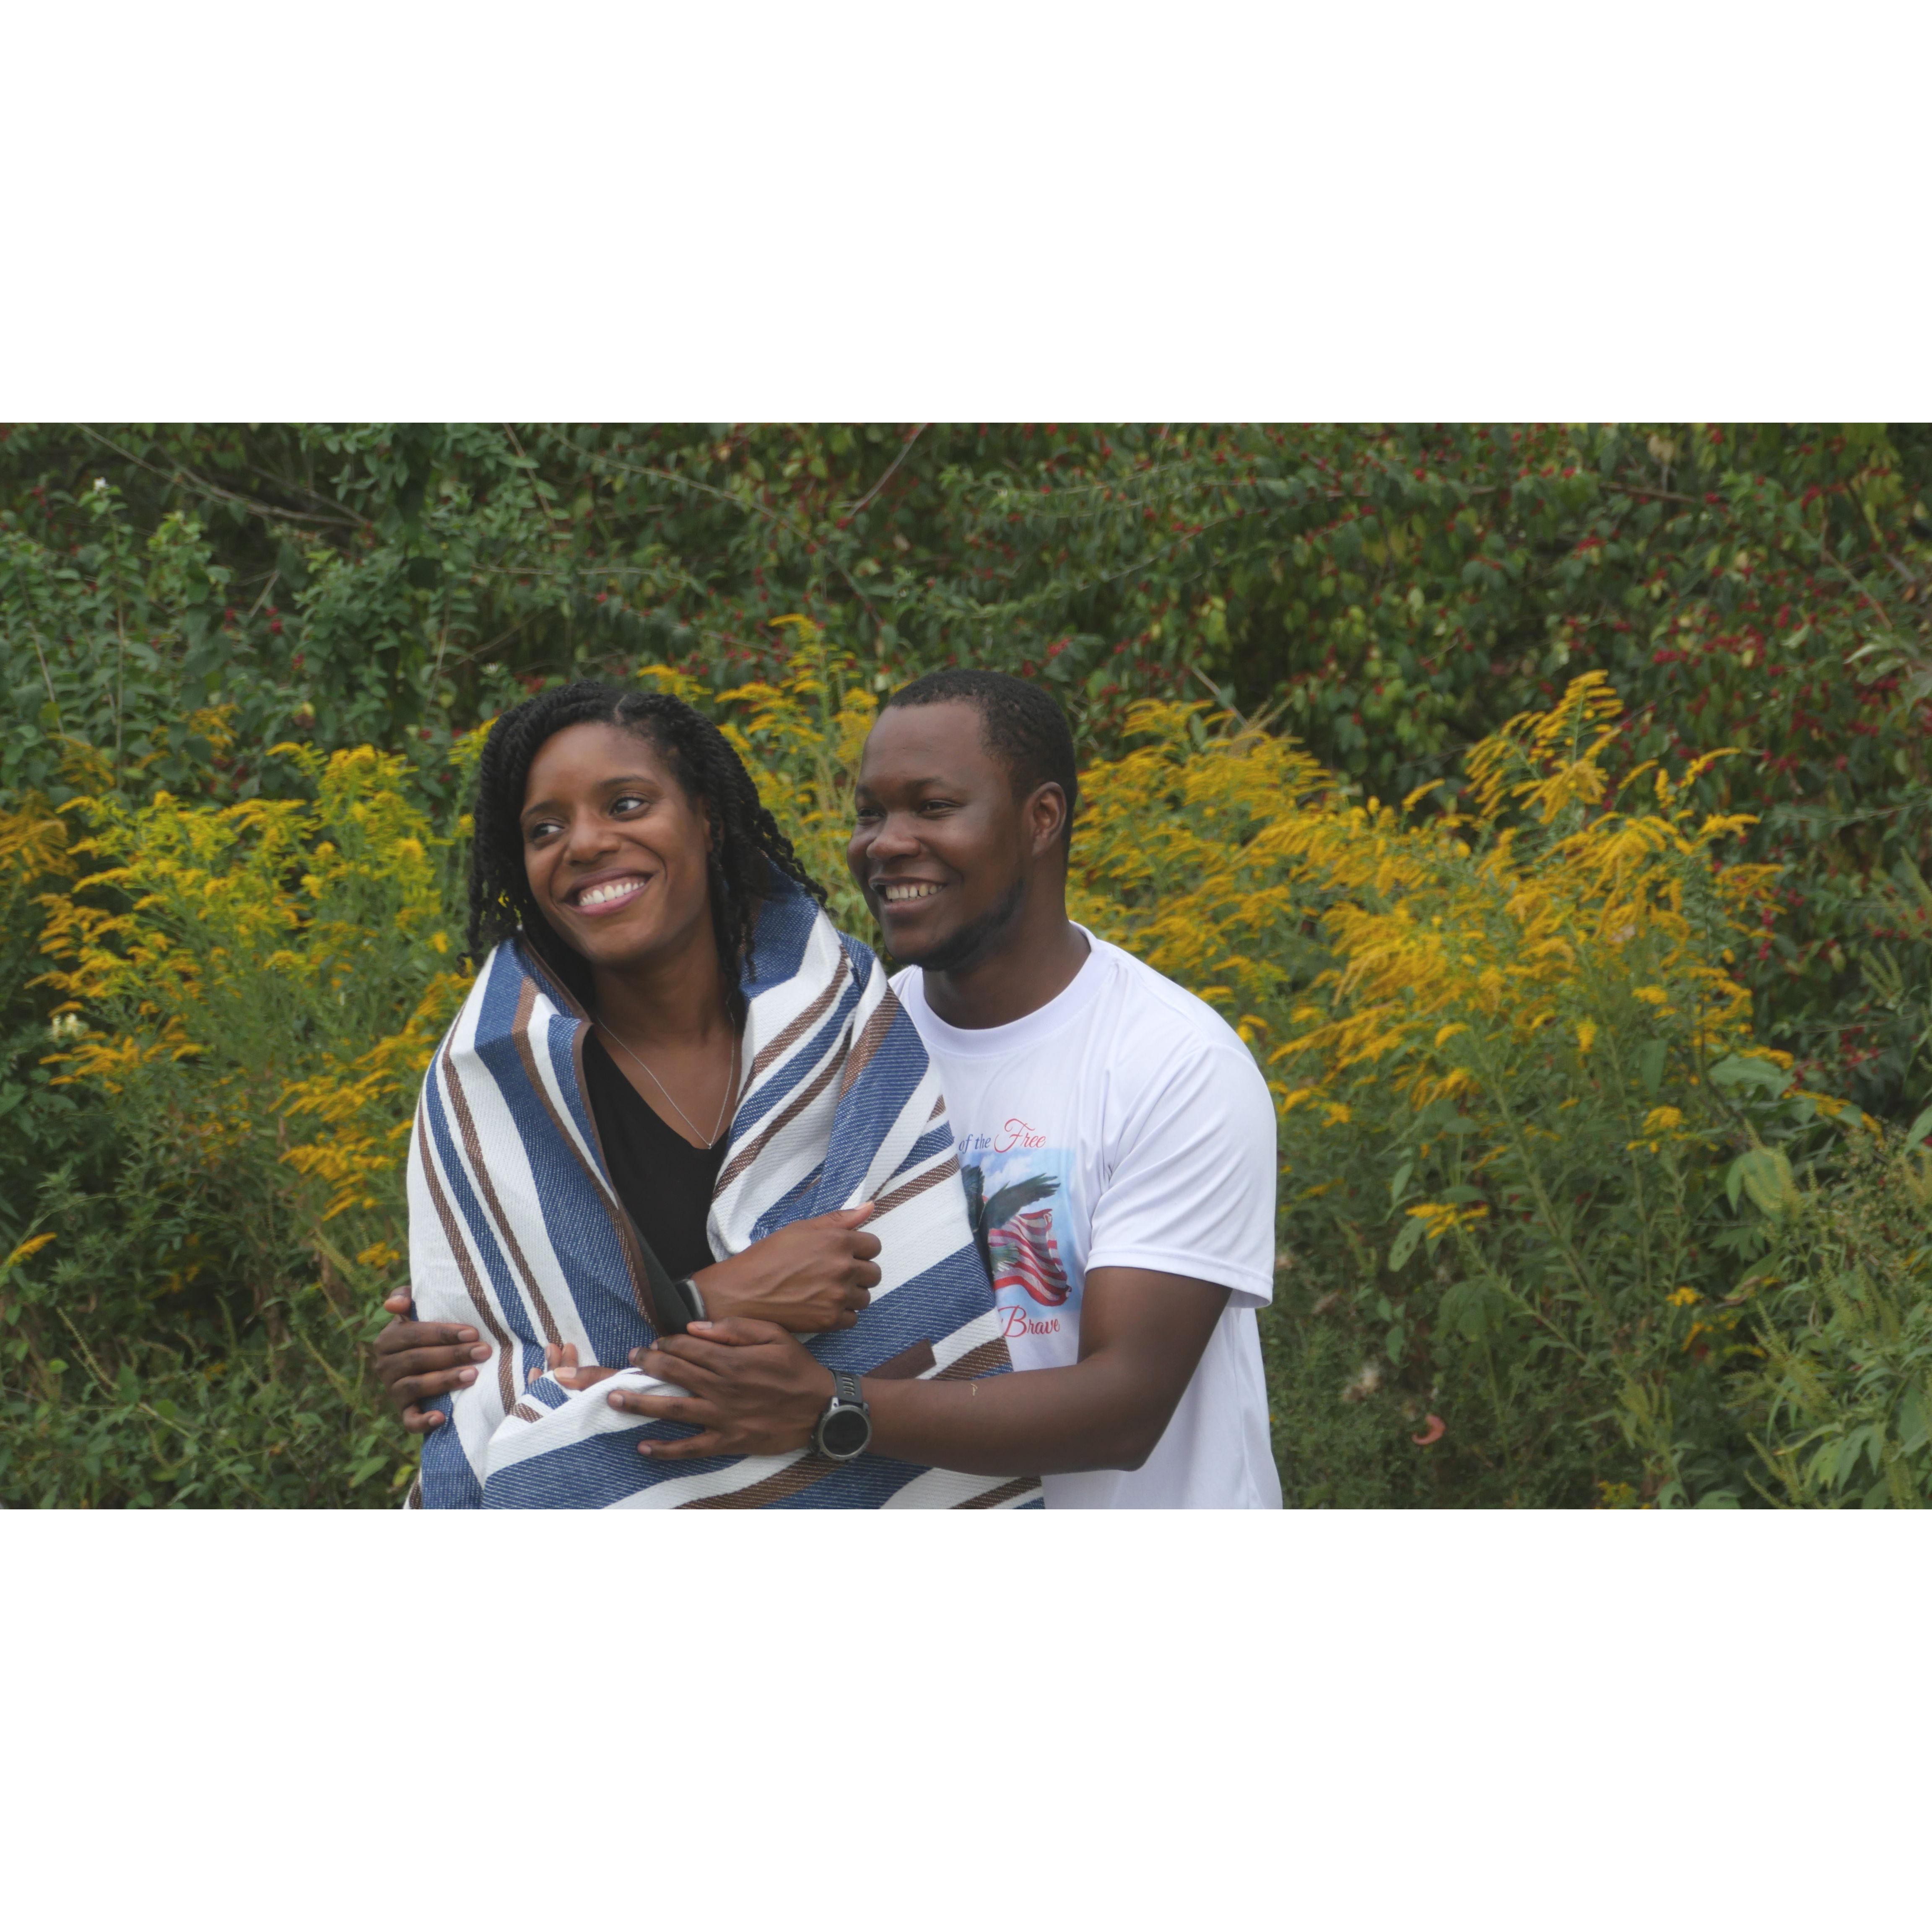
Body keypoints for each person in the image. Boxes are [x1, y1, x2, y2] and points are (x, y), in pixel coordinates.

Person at [379, 670, 1281, 1509]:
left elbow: (1126, 1408)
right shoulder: (846, 1032)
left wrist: (832, 1407)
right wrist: (478, 1358)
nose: (888, 844)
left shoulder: (1169, 1061)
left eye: (933, 807)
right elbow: (566, 1321)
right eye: (870, 813)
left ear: (1041, 818)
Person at [401, 680, 1036, 1507]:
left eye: (626, 804)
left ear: (706, 817)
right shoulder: (485, 1096)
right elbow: (493, 1385)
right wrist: (713, 1302)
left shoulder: (846, 1017)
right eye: (544, 829)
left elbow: (919, 1299)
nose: (585, 844)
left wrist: (657, 1340)